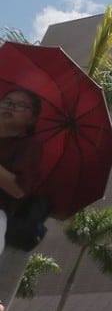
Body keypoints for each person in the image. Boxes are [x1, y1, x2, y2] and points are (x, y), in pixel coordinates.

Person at [0, 89, 43, 254]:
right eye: (7, 102)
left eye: (20, 106)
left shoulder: (29, 146)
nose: (10, 107)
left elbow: (18, 189)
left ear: (32, 118)